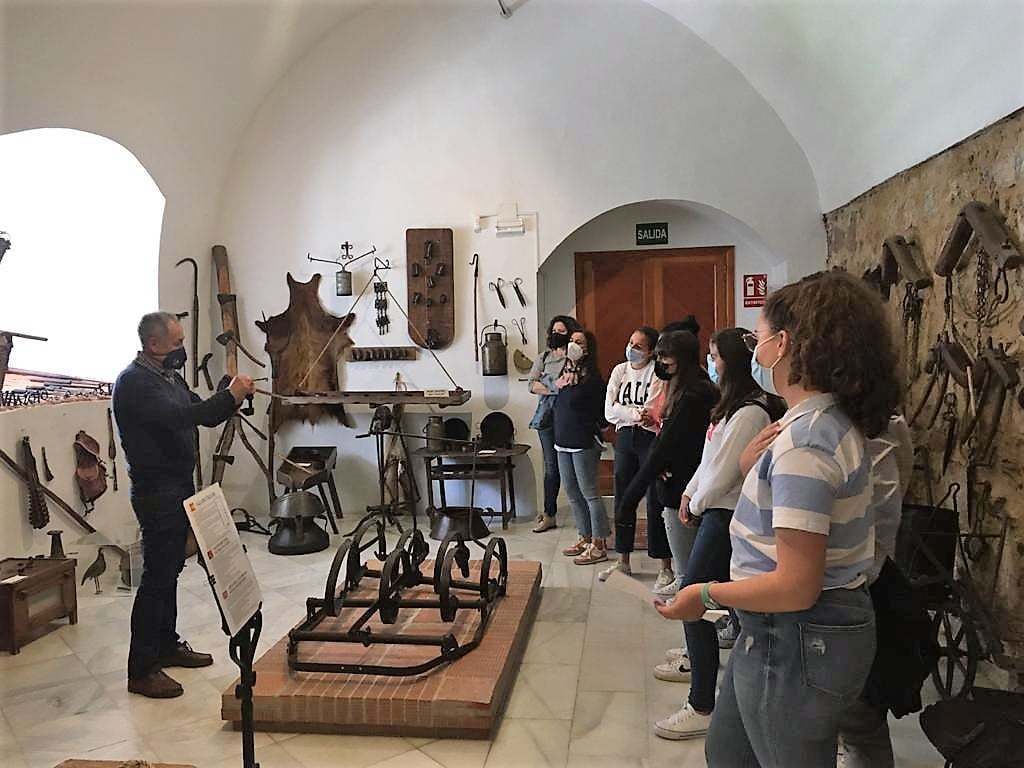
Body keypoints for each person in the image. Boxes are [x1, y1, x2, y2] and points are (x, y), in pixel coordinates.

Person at [655, 270, 902, 767]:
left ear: (785, 343)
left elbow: (796, 585)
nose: (755, 350)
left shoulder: (808, 439)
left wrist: (704, 594)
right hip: (780, 632)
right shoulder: (807, 424)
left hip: (799, 637)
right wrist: (751, 465)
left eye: (757, 337)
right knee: (727, 752)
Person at [651, 327, 785, 740]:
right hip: (711, 508)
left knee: (694, 595)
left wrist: (698, 501)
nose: (711, 362)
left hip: (727, 514)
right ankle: (697, 660)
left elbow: (729, 471)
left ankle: (701, 703)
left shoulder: (752, 411)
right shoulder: (729, 406)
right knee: (700, 598)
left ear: (729, 360)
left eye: (714, 355)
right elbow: (709, 458)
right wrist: (690, 493)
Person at [113, 312, 255, 699]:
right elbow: (188, 416)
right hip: (156, 492)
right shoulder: (135, 383)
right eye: (176, 343)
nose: (182, 349)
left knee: (170, 570)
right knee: (157, 578)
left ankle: (165, 645)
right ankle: (141, 669)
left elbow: (201, 409)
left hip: (177, 486)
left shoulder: (167, 377)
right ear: (154, 345)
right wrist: (232, 395)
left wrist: (228, 392)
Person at [615, 330, 716, 594]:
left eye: (665, 358)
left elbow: (664, 446)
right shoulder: (682, 385)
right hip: (676, 477)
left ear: (681, 359)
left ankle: (689, 598)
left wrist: (630, 499)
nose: (660, 364)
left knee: (689, 566)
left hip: (685, 482)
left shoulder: (694, 392)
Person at [599, 326, 674, 588]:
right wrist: (632, 415)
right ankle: (623, 559)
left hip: (650, 438)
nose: (632, 348)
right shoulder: (620, 370)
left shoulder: (657, 372)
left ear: (651, 351)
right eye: (630, 342)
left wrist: (630, 412)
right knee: (623, 496)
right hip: (625, 438)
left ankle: (664, 564)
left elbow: (652, 408)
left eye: (639, 345)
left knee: (655, 498)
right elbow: (609, 410)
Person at [553, 329, 610, 565]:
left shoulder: (593, 378)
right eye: (571, 341)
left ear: (588, 348)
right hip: (562, 440)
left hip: (583, 441)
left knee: (589, 493)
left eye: (579, 342)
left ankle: (599, 542)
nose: (573, 345)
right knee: (572, 493)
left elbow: (601, 413)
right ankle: (584, 537)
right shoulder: (564, 373)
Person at [529, 315, 581, 533]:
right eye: (554, 330)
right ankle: (549, 514)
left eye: (562, 331)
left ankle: (583, 518)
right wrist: (554, 387)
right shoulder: (544, 357)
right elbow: (532, 385)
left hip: (570, 418)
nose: (556, 335)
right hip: (547, 417)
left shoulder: (576, 356)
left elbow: (574, 383)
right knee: (551, 468)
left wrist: (549, 383)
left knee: (574, 469)